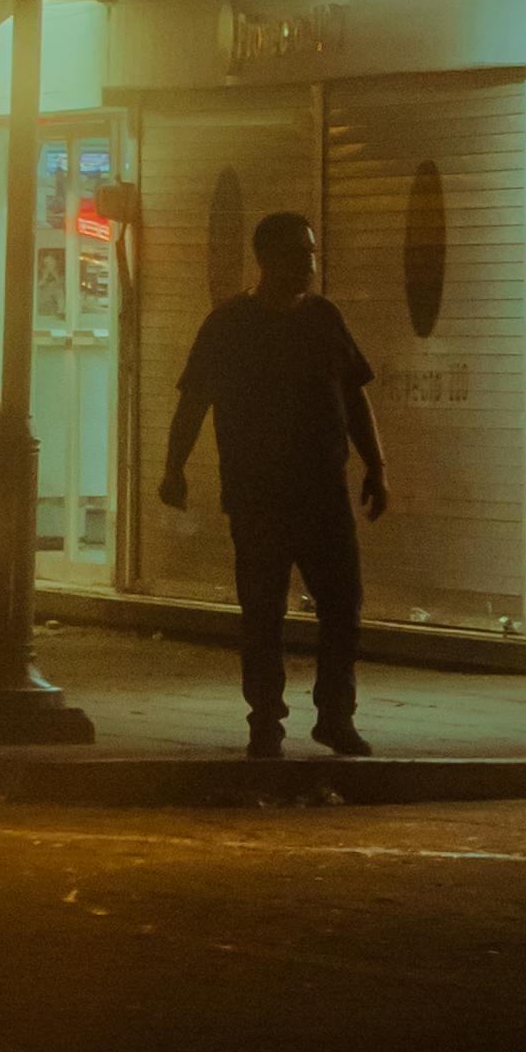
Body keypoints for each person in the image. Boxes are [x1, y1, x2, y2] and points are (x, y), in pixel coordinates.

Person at [157, 209, 391, 760]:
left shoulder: (323, 318)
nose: (310, 263)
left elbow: (353, 395)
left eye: (312, 252)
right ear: (266, 258)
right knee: (262, 614)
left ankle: (335, 716)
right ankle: (266, 720)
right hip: (258, 494)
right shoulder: (228, 324)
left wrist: (376, 466)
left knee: (343, 607)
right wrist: (174, 467)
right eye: (299, 253)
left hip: (323, 492)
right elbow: (194, 401)